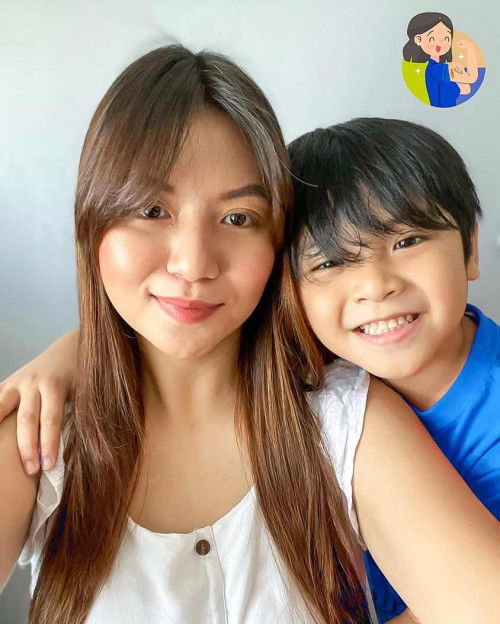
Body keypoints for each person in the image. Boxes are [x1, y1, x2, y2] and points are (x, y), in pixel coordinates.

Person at [1, 47, 499, 624]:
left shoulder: (348, 420)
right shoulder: (39, 429)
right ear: (92, 221)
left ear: (276, 249)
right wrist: (77, 351)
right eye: (152, 210)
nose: (194, 264)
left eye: (238, 218)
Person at [284, 117, 500, 623]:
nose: (375, 285)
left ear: (469, 249)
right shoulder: (312, 400)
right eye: (329, 262)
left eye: (406, 241)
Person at [402, 12, 478, 107]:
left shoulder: (441, 68)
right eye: (432, 38)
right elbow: (472, 78)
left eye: (446, 38)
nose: (441, 43)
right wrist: (471, 50)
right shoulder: (437, 69)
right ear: (418, 40)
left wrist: (461, 72)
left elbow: (466, 89)